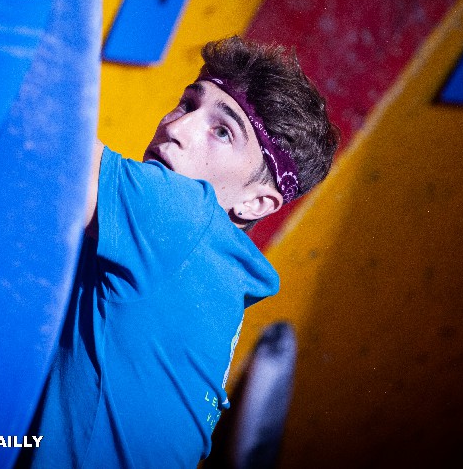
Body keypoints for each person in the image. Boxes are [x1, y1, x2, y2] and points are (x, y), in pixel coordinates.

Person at [22, 35, 339, 468]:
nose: (176, 128)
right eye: (188, 104)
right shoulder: (213, 275)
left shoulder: (187, 220)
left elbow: (41, 138)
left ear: (256, 203)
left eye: (222, 131)